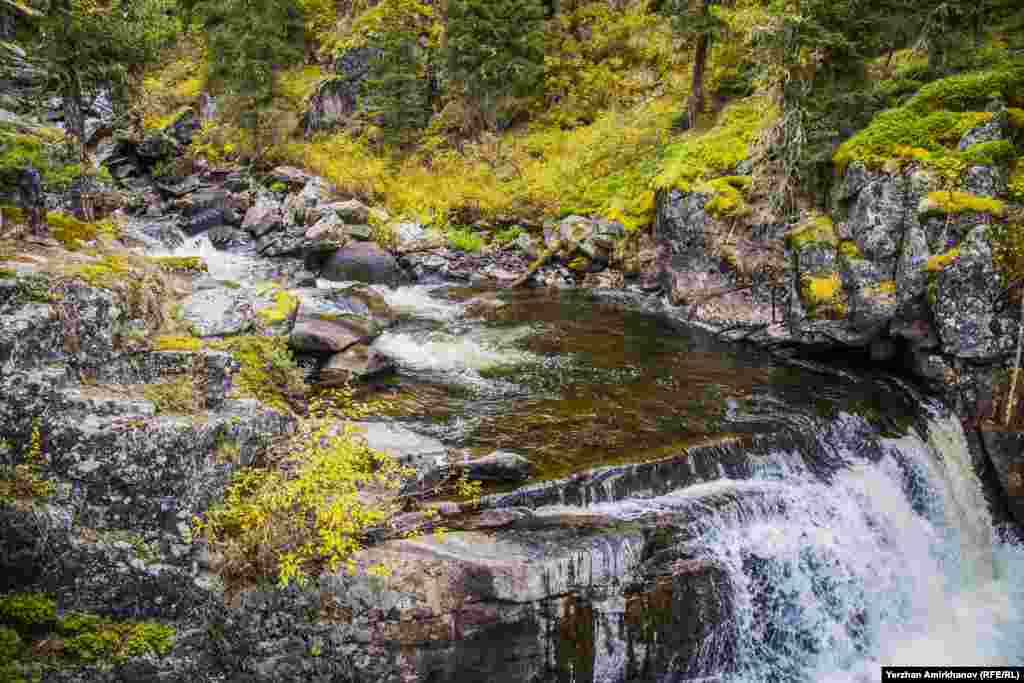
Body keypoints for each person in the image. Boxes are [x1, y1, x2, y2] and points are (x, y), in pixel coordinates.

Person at [19, 165, 46, 237]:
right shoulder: (25, 182)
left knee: (36, 211)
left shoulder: (35, 180)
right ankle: (29, 229)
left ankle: (36, 229)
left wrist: (38, 198)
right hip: (28, 203)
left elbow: (38, 191)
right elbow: (23, 196)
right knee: (30, 212)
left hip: (34, 202)